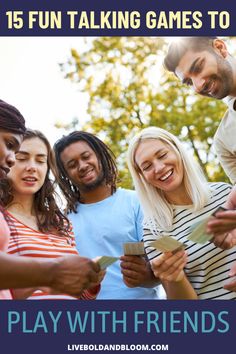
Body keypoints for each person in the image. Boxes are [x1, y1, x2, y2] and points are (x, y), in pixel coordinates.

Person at [127, 126, 236, 299]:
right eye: (147, 166)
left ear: (177, 150)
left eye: (162, 155)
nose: (159, 167)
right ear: (142, 177)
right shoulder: (155, 230)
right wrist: (175, 278)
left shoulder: (225, 193)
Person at [164, 36, 236, 290]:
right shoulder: (224, 141)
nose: (197, 86)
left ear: (220, 47)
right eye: (188, 81)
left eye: (197, 67)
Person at [53, 131, 161, 299]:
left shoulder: (137, 202)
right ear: (66, 175)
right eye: (72, 165)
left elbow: (162, 268)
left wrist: (146, 277)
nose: (82, 166)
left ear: (100, 156)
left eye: (86, 156)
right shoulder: (61, 222)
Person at [1, 128, 104, 299]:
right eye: (22, 158)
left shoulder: (60, 223)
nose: (32, 167)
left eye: (40, 161)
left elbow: (78, 294)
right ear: (9, 160)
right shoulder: (2, 219)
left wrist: (90, 284)